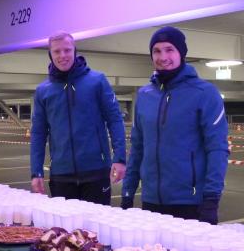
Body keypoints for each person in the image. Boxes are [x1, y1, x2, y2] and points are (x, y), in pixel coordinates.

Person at [121, 26, 230, 224]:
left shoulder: (204, 93)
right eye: (157, 51)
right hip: (151, 201)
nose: (163, 57)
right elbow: (137, 148)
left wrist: (211, 199)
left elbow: (217, 149)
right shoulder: (144, 95)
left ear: (182, 53)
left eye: (169, 49)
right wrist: (128, 192)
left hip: (191, 202)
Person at [30, 31, 126, 204]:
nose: (62, 56)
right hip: (61, 175)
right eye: (57, 51)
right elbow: (38, 133)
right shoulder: (43, 91)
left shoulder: (97, 81)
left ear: (75, 50)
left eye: (67, 50)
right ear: (50, 55)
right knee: (65, 222)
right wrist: (36, 171)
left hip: (96, 172)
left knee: (97, 221)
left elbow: (114, 119)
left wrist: (119, 158)